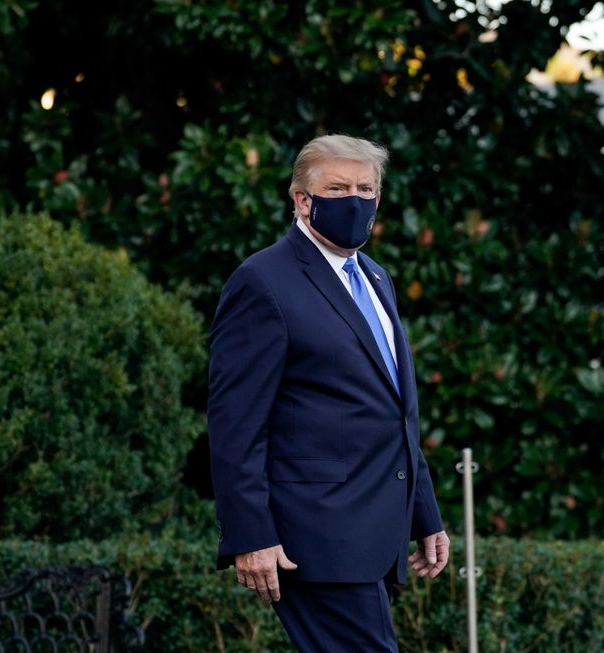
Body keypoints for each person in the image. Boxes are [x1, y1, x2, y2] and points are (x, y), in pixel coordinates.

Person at [207, 134, 450, 652]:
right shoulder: (262, 281)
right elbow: (235, 426)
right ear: (302, 198)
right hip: (313, 538)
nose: (355, 200)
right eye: (338, 188)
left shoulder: (376, 278)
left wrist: (425, 514)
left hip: (370, 533)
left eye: (367, 188)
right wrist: (251, 535)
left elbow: (395, 412)